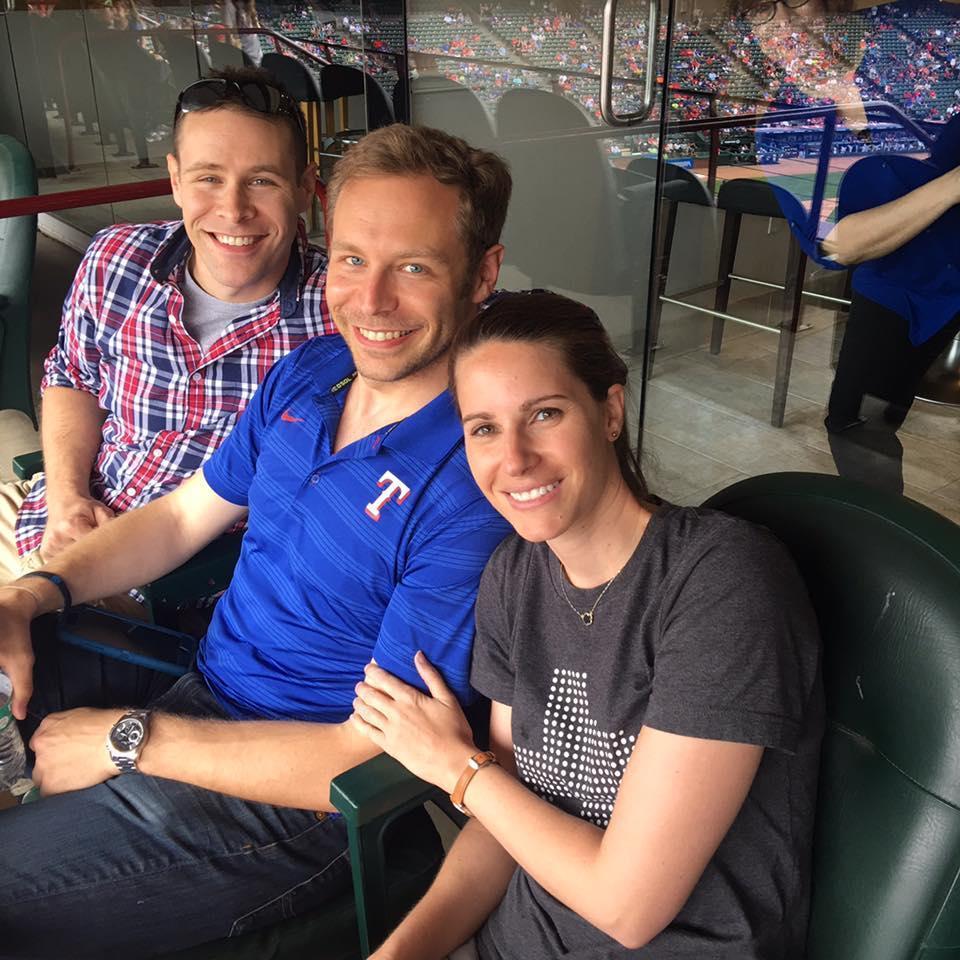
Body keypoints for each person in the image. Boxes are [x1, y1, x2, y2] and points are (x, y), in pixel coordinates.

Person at [0, 123, 512, 958]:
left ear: (483, 272)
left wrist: (128, 738)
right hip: (195, 682)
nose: (371, 300)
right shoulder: (311, 372)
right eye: (352, 260)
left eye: (413, 268)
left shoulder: (476, 476)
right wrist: (33, 593)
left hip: (291, 809)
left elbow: (370, 756)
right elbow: (174, 521)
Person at [352, 291, 824, 959]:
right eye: (483, 427)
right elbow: (499, 821)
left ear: (609, 411)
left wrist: (456, 767)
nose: (512, 459)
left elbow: (626, 907)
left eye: (543, 414)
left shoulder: (724, 582)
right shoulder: (514, 577)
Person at [0, 67, 333, 609]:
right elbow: (72, 378)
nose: (233, 209)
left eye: (263, 180)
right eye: (208, 178)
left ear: (303, 187)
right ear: (175, 179)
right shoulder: (117, 258)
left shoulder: (341, 313)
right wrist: (66, 498)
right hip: (49, 518)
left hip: (175, 588)